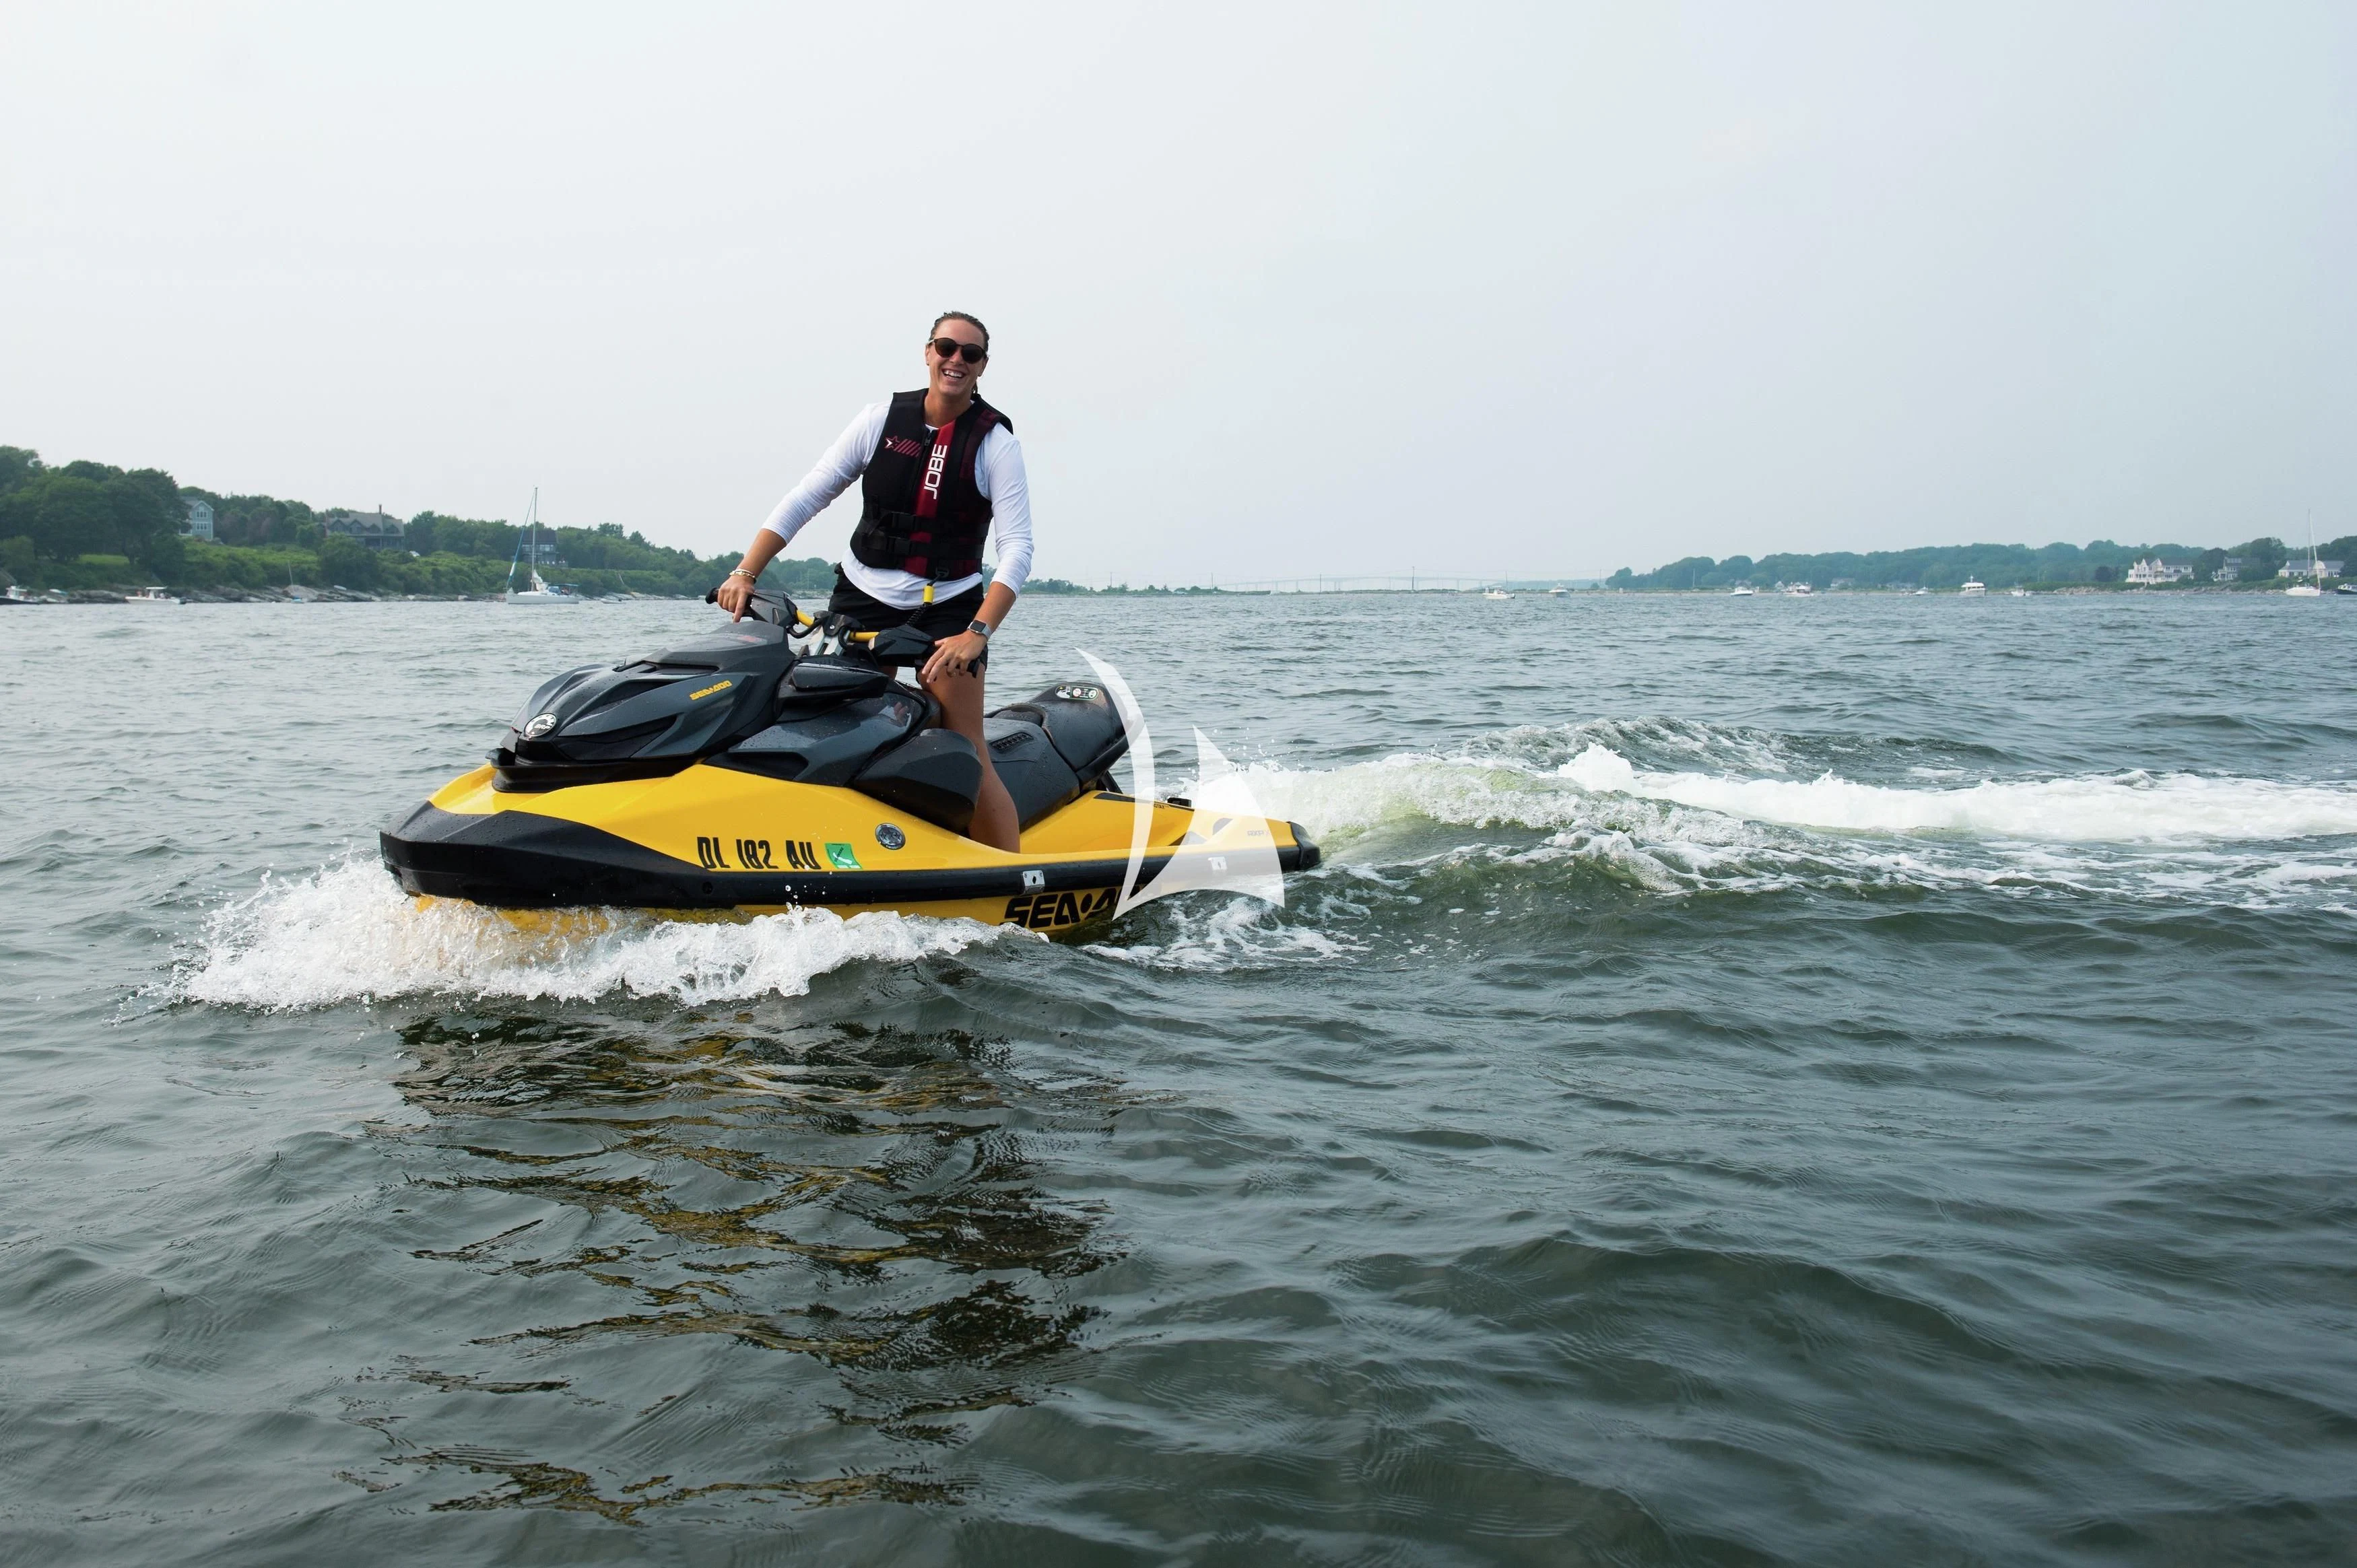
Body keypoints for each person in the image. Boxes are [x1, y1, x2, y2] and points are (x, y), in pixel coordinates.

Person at [715, 312, 1030, 851]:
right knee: (841, 733)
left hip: (948, 608)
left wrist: (978, 631)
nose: (956, 360)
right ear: (928, 352)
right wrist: (746, 570)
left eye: (970, 354)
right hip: (862, 597)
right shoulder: (880, 418)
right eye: (947, 348)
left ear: (982, 367)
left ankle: (1014, 884)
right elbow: (809, 495)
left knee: (966, 745)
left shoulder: (995, 443)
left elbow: (1017, 549)